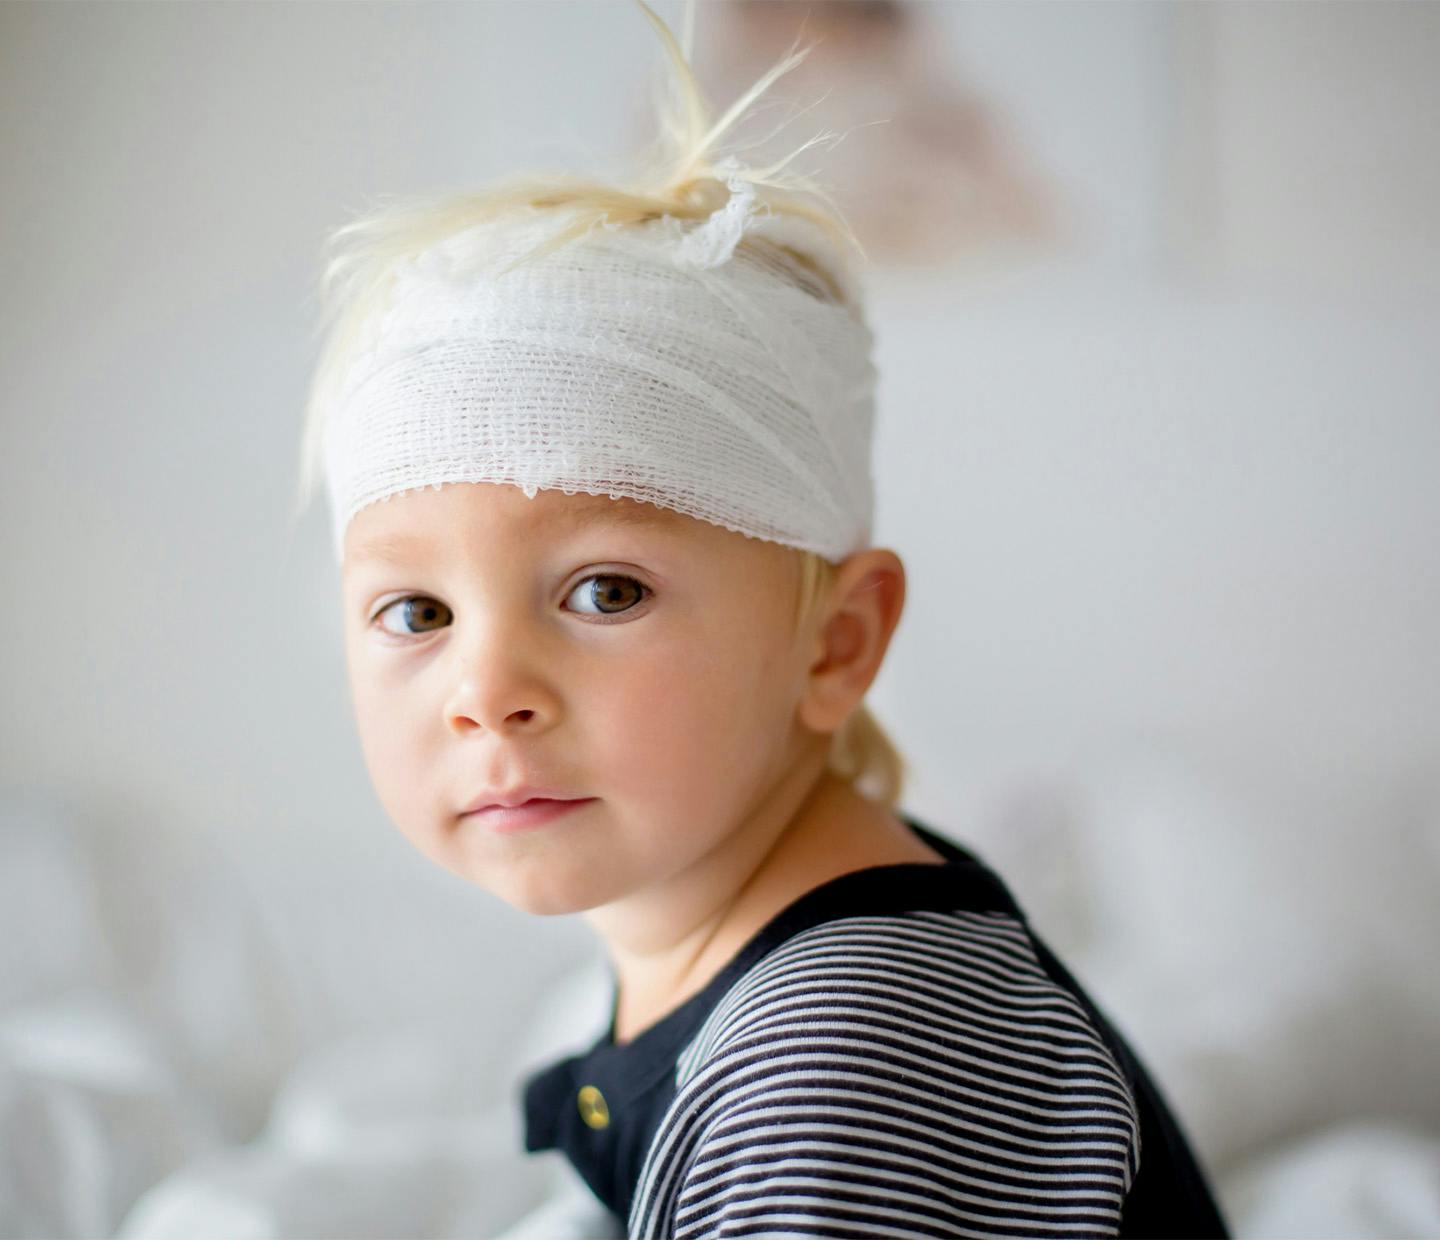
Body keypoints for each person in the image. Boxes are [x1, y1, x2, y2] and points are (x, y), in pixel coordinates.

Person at [294, 2, 1228, 1235]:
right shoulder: (720, 937)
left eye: (605, 589)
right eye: (415, 609)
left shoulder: (841, 1060)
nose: (487, 687)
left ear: (835, 645)